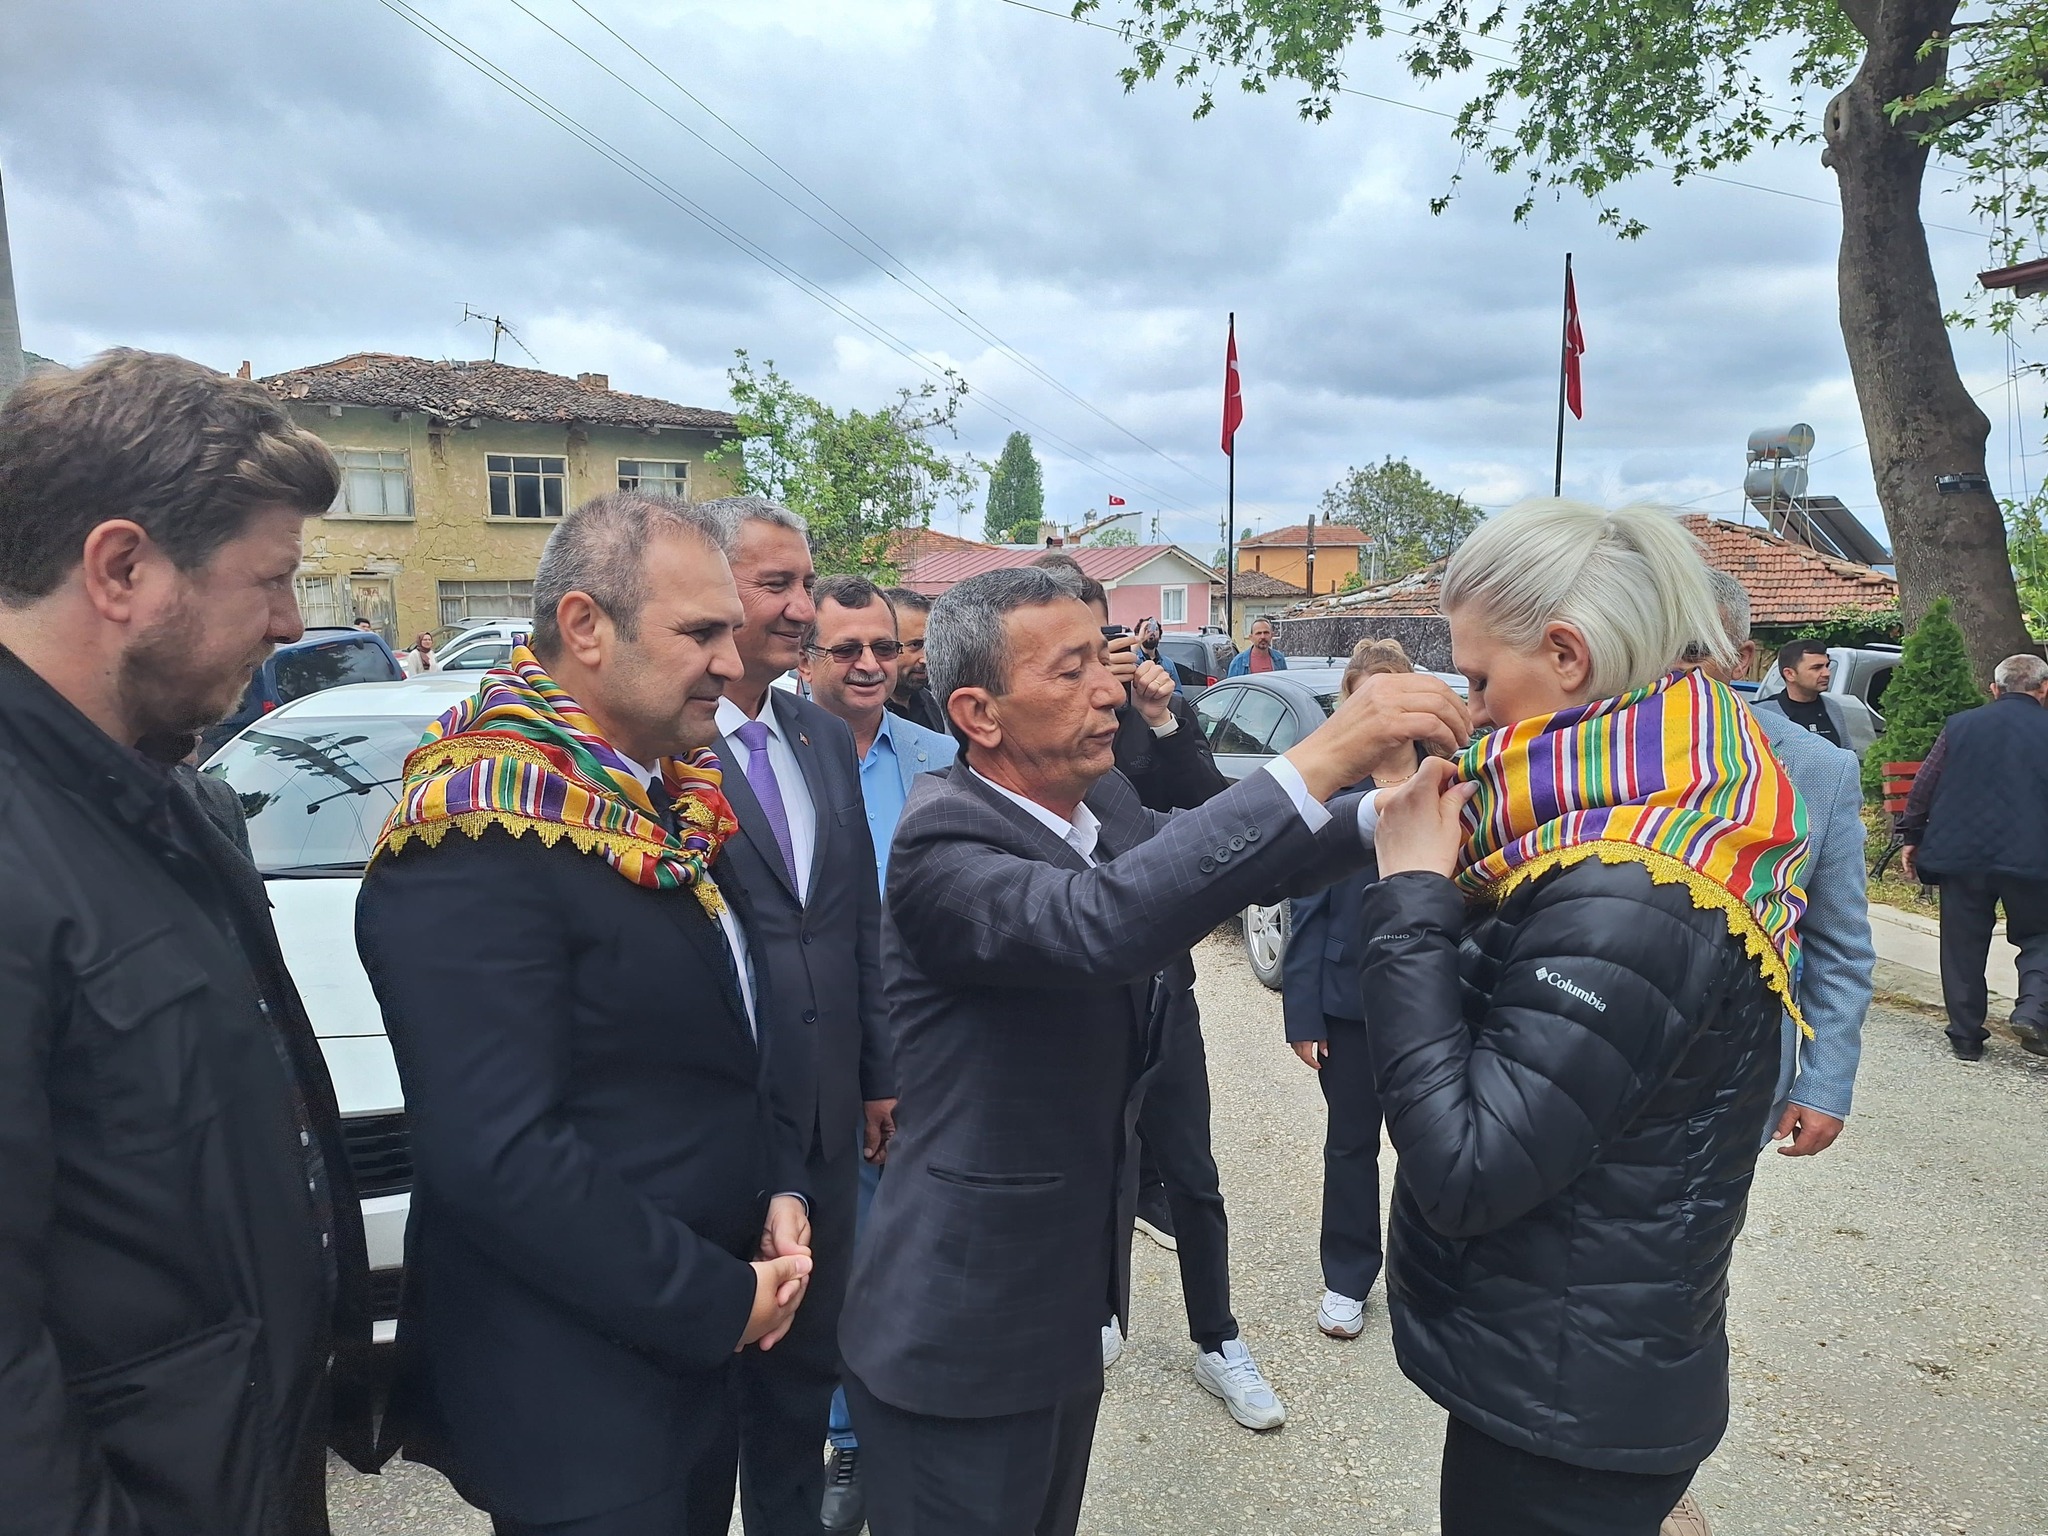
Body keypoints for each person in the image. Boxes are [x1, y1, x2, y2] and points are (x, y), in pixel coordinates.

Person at [839, 565, 1470, 1536]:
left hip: (1060, 1315)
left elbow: (1218, 852)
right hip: (959, 1334)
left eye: (1104, 658)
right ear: (978, 713)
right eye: (1070, 671)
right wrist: (1330, 747)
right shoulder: (943, 845)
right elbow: (1104, 921)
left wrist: (1383, 812)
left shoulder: (1100, 805)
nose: (1109, 688)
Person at [355, 492, 814, 1536]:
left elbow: (710, 1048)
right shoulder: (478, 830)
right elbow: (498, 1155)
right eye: (700, 633)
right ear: (584, 625)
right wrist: (714, 1300)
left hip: (686, 1356)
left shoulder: (658, 797)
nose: (732, 661)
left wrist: (775, 1184)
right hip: (576, 1397)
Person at [1360, 500, 1810, 1536]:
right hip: (1581, 1358)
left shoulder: (1629, 883)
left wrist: (1410, 898)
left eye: (1480, 680)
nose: (1472, 713)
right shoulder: (1676, 774)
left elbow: (1466, 1169)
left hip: (1565, 1410)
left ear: (1566, 655)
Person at [0, 349, 375, 1535]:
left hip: (245, 1469)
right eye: (271, 579)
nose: (291, 622)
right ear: (122, 568)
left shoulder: (178, 804)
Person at [698, 496, 892, 1536]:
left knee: (804, 1368)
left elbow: (854, 917)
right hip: (724, 1122)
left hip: (825, 1119)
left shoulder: (818, 733)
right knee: (709, 1383)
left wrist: (875, 1073)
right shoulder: (667, 749)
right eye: (776, 584)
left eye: (804, 583)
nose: (803, 608)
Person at [1056, 566, 1286, 1428]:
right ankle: (1096, 1314)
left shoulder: (1132, 713)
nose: (1091, 667)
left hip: (1159, 985)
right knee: (1090, 1170)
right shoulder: (1020, 731)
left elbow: (1207, 813)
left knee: (1193, 1169)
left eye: (1098, 644)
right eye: (1067, 653)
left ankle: (1217, 1338)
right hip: (1071, 993)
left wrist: (1158, 716)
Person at [794, 574, 955, 1534]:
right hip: (830, 1059)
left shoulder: (941, 758)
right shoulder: (774, 762)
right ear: (806, 658)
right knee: (845, 1257)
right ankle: (850, 1437)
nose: (867, 665)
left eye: (884, 649)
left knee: (936, 1247)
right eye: (846, 648)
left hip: (940, 1050)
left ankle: (928, 1426)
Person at [1693, 571, 1871, 1154]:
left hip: (1734, 1084)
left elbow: (1838, 942)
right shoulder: (1584, 752)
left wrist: (1824, 1083)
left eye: (1691, 650)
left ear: (1739, 658)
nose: (1665, 670)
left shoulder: (1818, 769)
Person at [1280, 638, 1421, 1341]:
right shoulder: (1333, 798)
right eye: (1369, 698)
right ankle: (1347, 1278)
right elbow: (1305, 909)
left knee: (1434, 1148)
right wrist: (1303, 1012)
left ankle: (1428, 1280)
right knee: (1350, 1146)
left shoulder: (1455, 782)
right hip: (1349, 1005)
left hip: (1436, 1004)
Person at [1898, 651, 2048, 1060]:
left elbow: (1925, 783)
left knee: (1961, 945)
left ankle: (1965, 1037)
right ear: (2043, 688)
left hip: (1961, 854)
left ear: (1994, 689)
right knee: (2040, 936)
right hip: (2032, 857)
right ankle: (2032, 1010)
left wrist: (1912, 834)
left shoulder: (1960, 725)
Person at [1754, 638, 1854, 751]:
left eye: (1827, 666)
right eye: (1816, 668)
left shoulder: (1833, 708)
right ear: (1790, 674)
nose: (1827, 673)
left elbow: (1848, 754)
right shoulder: (1762, 713)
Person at [881, 586, 946, 732]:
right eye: (915, 645)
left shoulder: (932, 704)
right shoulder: (862, 716)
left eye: (931, 645)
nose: (925, 659)